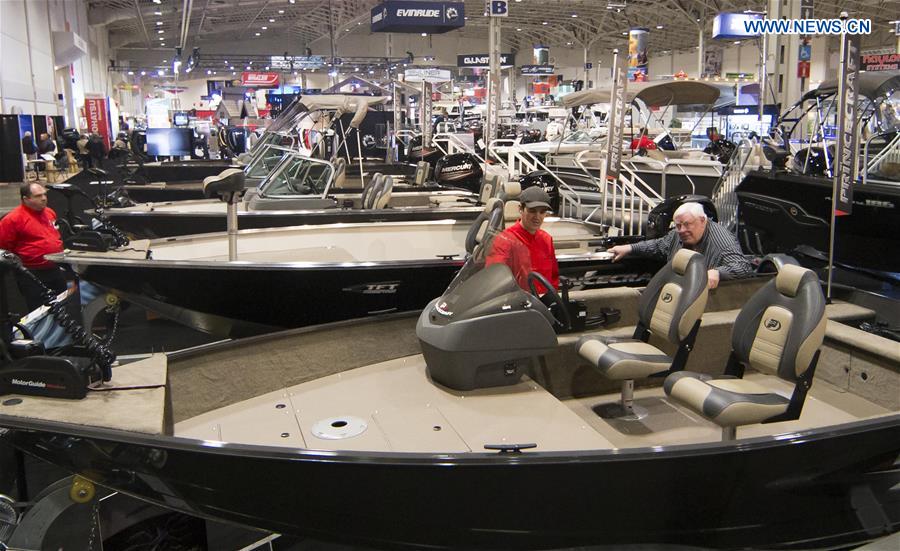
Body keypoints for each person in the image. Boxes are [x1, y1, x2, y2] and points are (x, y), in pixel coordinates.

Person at [607, 202, 753, 289]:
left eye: (687, 224)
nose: (681, 230)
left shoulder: (722, 240)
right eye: (678, 225)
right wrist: (630, 248)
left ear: (703, 220)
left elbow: (743, 267)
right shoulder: (678, 233)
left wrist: (718, 273)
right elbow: (658, 246)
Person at [0, 183, 67, 311]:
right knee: (39, 311)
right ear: (26, 199)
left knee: (64, 305)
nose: (44, 198)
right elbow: (3, 247)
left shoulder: (49, 212)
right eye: (38, 196)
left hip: (55, 268)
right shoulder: (12, 219)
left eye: (44, 194)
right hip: (32, 274)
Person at [486, 186, 559, 294]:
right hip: (520, 303)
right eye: (532, 211)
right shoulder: (505, 240)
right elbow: (495, 280)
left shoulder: (546, 239)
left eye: (542, 212)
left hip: (545, 302)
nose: (537, 217)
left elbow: (554, 277)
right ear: (520, 209)